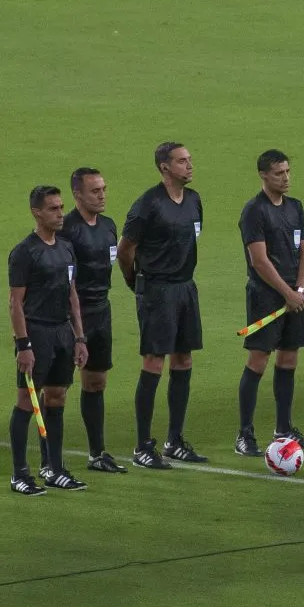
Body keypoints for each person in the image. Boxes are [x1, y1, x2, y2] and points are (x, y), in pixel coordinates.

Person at [117, 142, 206, 468]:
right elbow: (125, 250)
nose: (189, 165)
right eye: (182, 161)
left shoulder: (194, 200)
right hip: (156, 291)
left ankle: (174, 440)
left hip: (185, 288)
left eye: (189, 159)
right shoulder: (148, 205)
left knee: (183, 360)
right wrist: (135, 283)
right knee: (154, 362)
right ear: (165, 167)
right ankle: (143, 446)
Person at [236, 150, 304, 456]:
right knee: (258, 361)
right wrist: (287, 293)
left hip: (293, 296)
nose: (285, 178)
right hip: (266, 296)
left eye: (287, 172)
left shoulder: (295, 207)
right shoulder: (254, 212)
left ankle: (283, 428)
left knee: (288, 360)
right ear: (263, 176)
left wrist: (299, 288)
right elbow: (258, 261)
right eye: (278, 173)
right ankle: (244, 434)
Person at [9, 186, 89, 494]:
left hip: (62, 333)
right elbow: (15, 303)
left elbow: (72, 295)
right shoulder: (24, 252)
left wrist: (79, 337)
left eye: (60, 207)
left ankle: (54, 469)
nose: (60, 214)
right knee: (27, 402)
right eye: (53, 209)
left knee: (56, 399)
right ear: (37, 212)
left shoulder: (66, 248)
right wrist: (23, 344)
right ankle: (19, 474)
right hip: (37, 333)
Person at [49, 168, 126, 473]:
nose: (102, 195)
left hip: (101, 312)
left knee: (95, 382)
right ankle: (50, 460)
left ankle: (97, 453)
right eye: (95, 191)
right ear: (77, 195)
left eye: (103, 189)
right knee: (58, 389)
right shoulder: (67, 230)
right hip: (70, 317)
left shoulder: (108, 226)